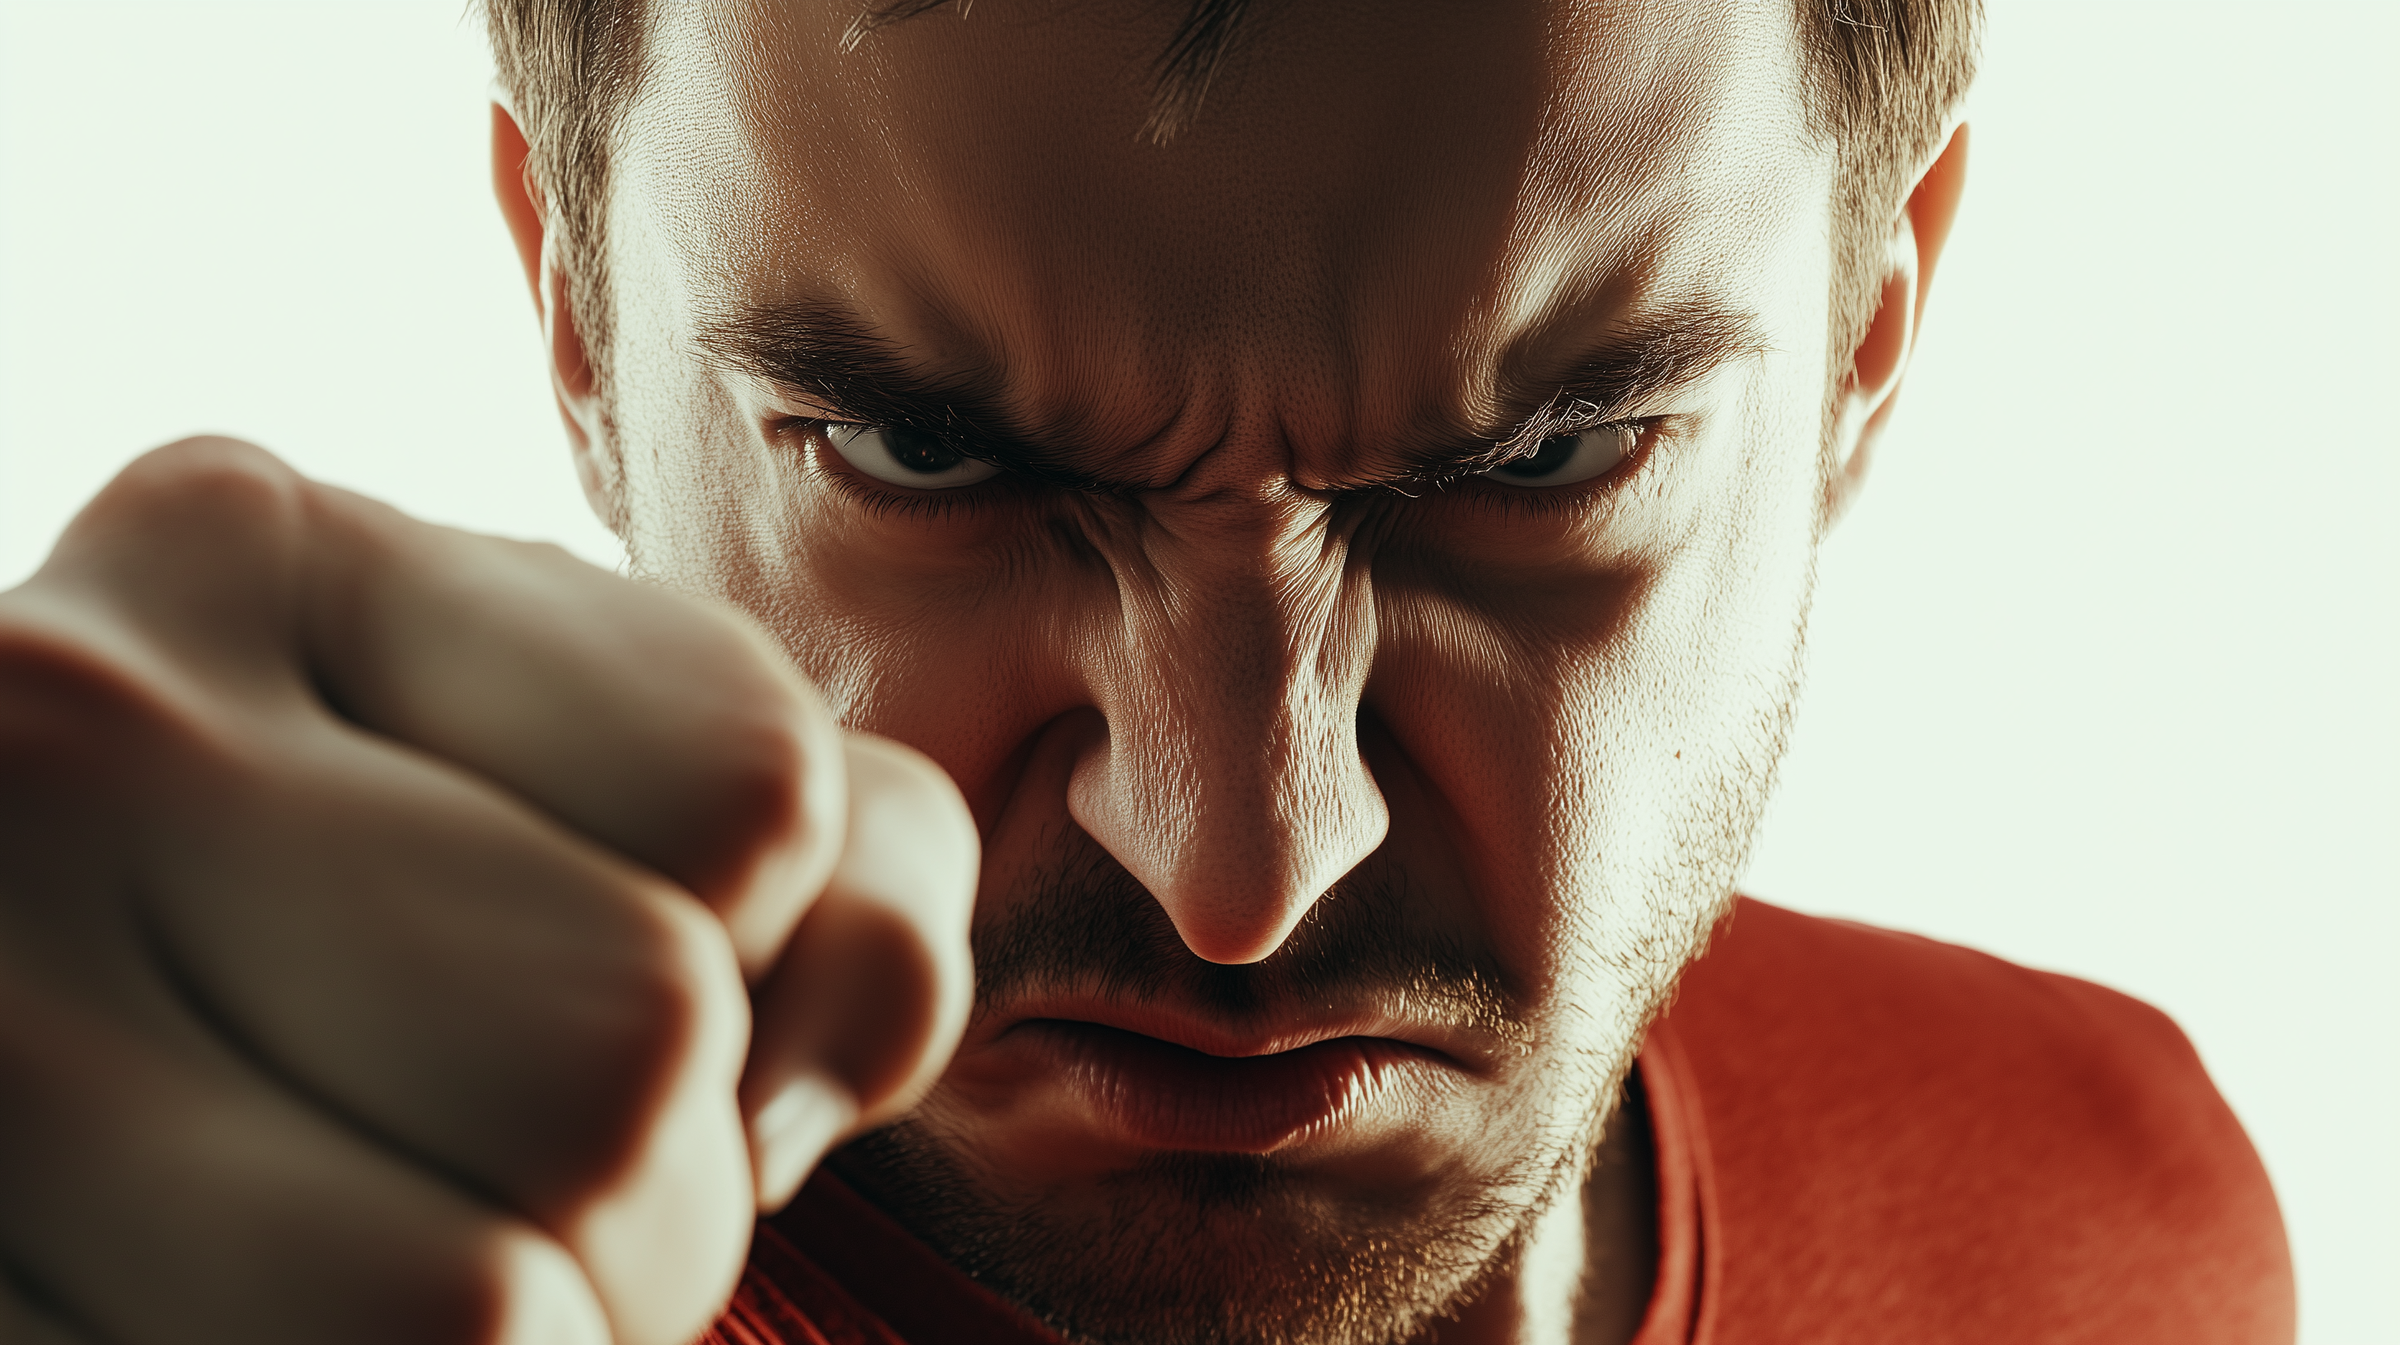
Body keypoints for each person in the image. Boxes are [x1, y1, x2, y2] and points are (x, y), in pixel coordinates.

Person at [0, 1, 2294, 1342]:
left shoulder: (2121, 1222)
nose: (1238, 874)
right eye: (924, 447)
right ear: (579, 314)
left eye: (1550, 454)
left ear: (1875, 335)